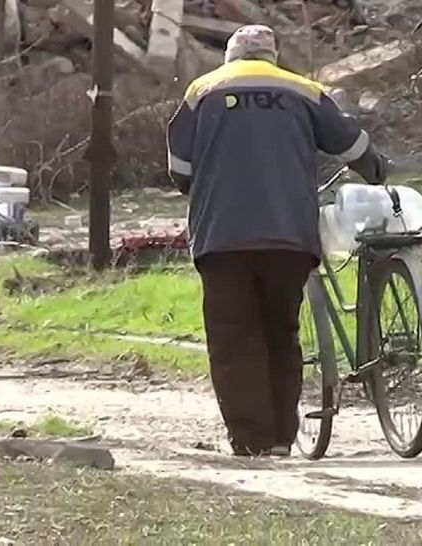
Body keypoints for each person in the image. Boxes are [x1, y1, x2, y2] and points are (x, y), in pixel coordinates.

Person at [166, 24, 388, 457]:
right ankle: (283, 438)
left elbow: (180, 167)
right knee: (281, 332)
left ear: (230, 57)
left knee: (234, 337)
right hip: (289, 234)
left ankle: (251, 441)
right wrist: (376, 169)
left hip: (222, 237)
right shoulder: (302, 89)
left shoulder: (202, 91)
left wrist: (196, 186)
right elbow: (353, 145)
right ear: (272, 56)